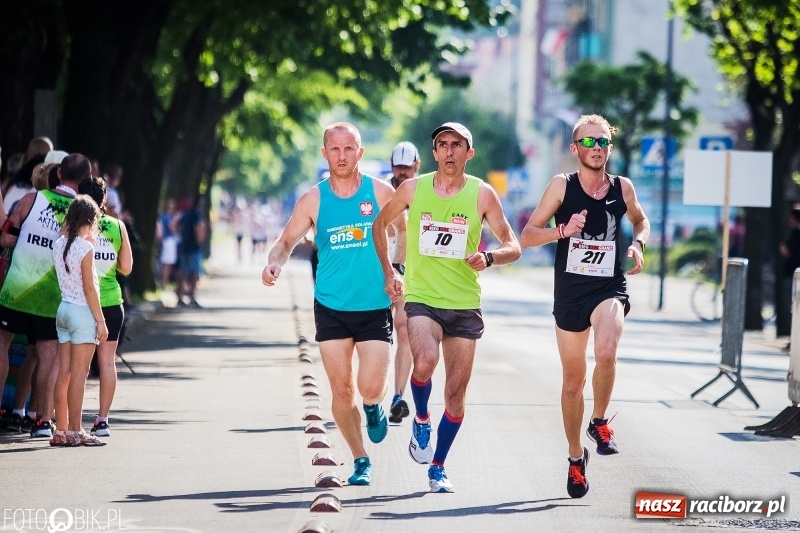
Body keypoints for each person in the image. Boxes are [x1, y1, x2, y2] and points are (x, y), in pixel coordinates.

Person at [372, 122, 521, 493]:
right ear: (434, 152)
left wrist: (489, 257)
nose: (450, 151)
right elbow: (379, 225)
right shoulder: (412, 188)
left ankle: (438, 465)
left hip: (464, 304)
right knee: (424, 361)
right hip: (421, 297)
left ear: (469, 153)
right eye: (443, 144)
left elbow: (513, 245)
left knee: (455, 395)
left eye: (457, 145)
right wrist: (390, 271)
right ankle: (421, 418)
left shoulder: (482, 195)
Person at [262, 122, 404, 486]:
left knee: (370, 387)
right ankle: (360, 460)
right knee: (341, 390)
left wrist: (399, 269)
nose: (342, 156)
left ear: (361, 152)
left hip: (374, 305)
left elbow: (405, 230)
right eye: (335, 149)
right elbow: (286, 240)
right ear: (325, 154)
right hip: (330, 305)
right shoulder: (313, 199)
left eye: (349, 148)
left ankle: (373, 408)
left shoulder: (382, 192)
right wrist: (274, 262)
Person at [519, 114, 650, 499]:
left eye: (603, 142)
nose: (597, 148)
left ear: (610, 147)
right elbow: (527, 236)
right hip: (570, 293)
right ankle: (576, 457)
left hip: (609, 285)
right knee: (573, 383)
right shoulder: (562, 186)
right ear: (575, 149)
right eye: (589, 142)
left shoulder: (622, 187)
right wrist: (562, 230)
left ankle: (599, 420)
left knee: (606, 350)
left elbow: (641, 221)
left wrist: (638, 244)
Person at [0, 153, 90, 438]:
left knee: (2, 345)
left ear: (59, 173)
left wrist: (25, 241)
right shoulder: (82, 213)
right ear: (85, 180)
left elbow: (5, 237)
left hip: (16, 287)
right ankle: (41, 421)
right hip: (53, 294)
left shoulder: (31, 199)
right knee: (49, 357)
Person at [49, 195, 108, 446]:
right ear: (91, 220)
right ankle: (76, 430)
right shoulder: (86, 248)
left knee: (63, 373)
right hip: (82, 312)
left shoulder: (59, 243)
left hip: (63, 309)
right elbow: (89, 288)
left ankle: (60, 429)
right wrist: (101, 320)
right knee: (79, 376)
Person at [79, 176, 134, 437]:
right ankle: (102, 420)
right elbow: (127, 267)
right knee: (107, 362)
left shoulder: (74, 225)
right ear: (104, 200)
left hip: (81, 302)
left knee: (75, 365)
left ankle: (69, 421)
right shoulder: (117, 226)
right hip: (111, 301)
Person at [385, 141, 420, 425]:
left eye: (407, 169)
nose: (402, 174)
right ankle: (374, 392)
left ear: (416, 166)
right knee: (375, 334)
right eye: (398, 169)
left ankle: (398, 396)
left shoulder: (425, 192)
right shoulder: (382, 191)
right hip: (377, 269)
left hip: (409, 272)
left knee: (404, 329)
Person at [175, 196, 207, 307]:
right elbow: (197, 228)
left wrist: (179, 234)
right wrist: (199, 240)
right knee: (194, 273)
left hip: (184, 246)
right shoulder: (196, 215)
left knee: (183, 272)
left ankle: (179, 296)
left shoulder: (185, 214)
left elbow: (174, 223)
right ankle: (192, 297)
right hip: (193, 247)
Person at [156, 198, 179, 290]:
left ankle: (164, 283)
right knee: (167, 264)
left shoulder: (164, 216)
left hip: (166, 241)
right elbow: (171, 227)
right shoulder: (167, 217)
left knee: (167, 264)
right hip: (169, 241)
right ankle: (163, 284)